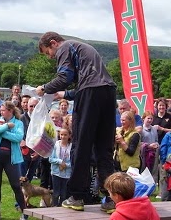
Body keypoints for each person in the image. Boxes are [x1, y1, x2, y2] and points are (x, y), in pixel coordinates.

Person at [35, 31, 117, 212]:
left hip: (91, 93)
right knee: (104, 148)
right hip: (109, 92)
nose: (51, 57)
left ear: (53, 43)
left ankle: (77, 196)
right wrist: (64, 94)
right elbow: (85, 84)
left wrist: (44, 88)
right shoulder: (82, 48)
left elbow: (65, 78)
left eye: (49, 53)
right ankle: (111, 198)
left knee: (81, 145)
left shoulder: (64, 47)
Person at [0, 101, 27, 220]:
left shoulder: (18, 123)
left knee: (16, 185)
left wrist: (2, 132)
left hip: (11, 158)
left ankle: (25, 212)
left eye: (3, 110)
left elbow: (18, 138)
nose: (0, 112)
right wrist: (6, 127)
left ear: (10, 111)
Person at [49, 127, 72, 206]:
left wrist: (66, 165)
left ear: (69, 135)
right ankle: (54, 207)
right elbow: (51, 159)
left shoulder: (71, 146)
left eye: (65, 135)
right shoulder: (55, 145)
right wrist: (60, 162)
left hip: (67, 174)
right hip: (56, 173)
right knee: (56, 193)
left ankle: (62, 208)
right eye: (61, 134)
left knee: (63, 194)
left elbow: (73, 161)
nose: (63, 137)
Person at [139, 111, 159, 181]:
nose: (150, 120)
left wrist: (156, 144)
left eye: (151, 119)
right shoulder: (140, 129)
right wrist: (148, 145)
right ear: (143, 119)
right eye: (148, 118)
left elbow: (156, 140)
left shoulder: (154, 129)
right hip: (144, 154)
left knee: (153, 169)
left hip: (153, 153)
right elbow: (139, 142)